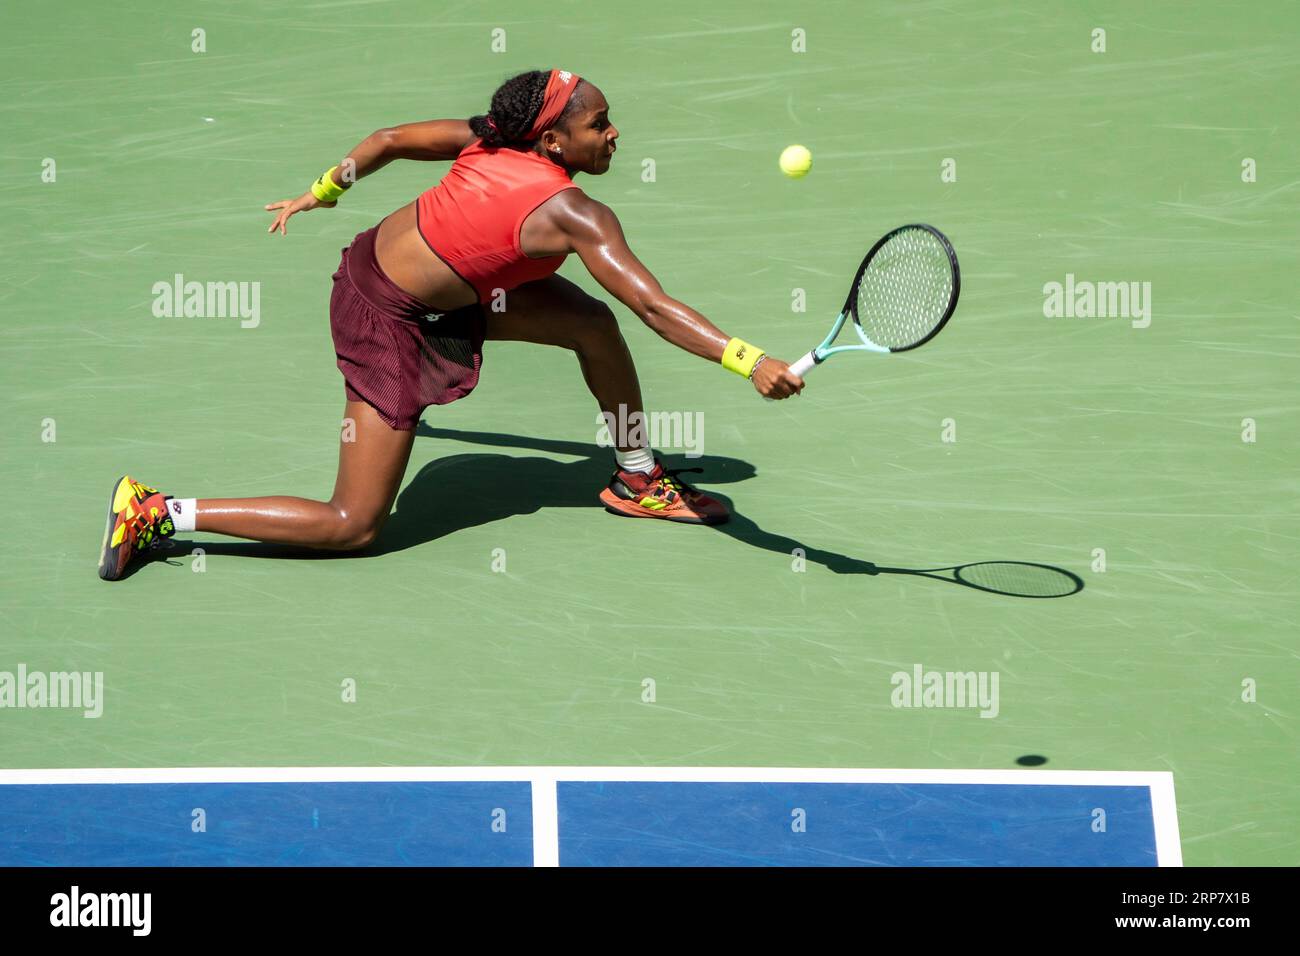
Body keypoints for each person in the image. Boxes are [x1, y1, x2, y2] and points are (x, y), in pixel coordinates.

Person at [98, 68, 805, 582]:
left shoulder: (490, 137)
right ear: (554, 141)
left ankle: (635, 477)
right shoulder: (575, 214)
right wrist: (749, 361)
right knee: (354, 525)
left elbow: (385, 139)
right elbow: (652, 305)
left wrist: (323, 192)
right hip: (386, 316)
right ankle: (156, 511)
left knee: (592, 325)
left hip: (436, 286)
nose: (614, 133)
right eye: (599, 125)